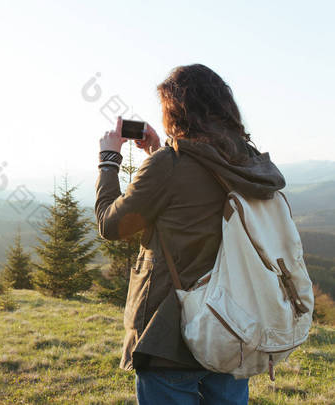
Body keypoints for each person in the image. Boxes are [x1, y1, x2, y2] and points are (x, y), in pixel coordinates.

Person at [95, 64, 286, 405]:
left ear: (175, 112)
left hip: (169, 334)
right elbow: (193, 199)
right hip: (233, 326)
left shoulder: (170, 166)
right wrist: (158, 151)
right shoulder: (247, 161)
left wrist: (109, 161)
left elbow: (111, 225)